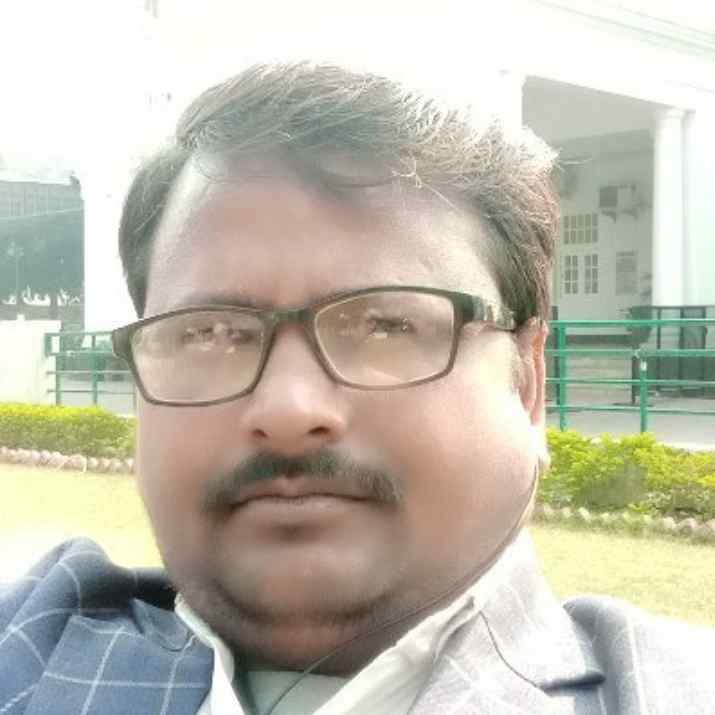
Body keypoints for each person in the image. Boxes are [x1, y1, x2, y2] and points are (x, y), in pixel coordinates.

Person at [1, 62, 712, 715]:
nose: (288, 409)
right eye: (210, 332)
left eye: (384, 324)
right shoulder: (28, 650)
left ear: (527, 385)